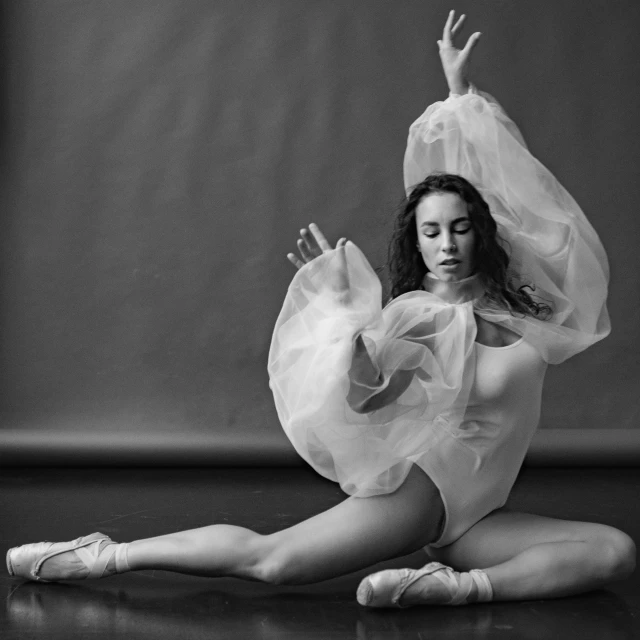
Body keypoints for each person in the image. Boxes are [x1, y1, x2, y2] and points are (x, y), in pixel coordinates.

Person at [6, 11, 635, 608]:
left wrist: (460, 93)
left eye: (460, 228)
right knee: (271, 561)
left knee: (613, 552)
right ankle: (102, 555)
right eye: (431, 232)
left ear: (481, 232)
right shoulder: (417, 316)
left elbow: (504, 186)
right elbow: (365, 400)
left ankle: (447, 590)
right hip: (427, 495)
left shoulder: (520, 301)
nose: (447, 243)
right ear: (415, 243)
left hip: (482, 516)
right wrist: (344, 319)